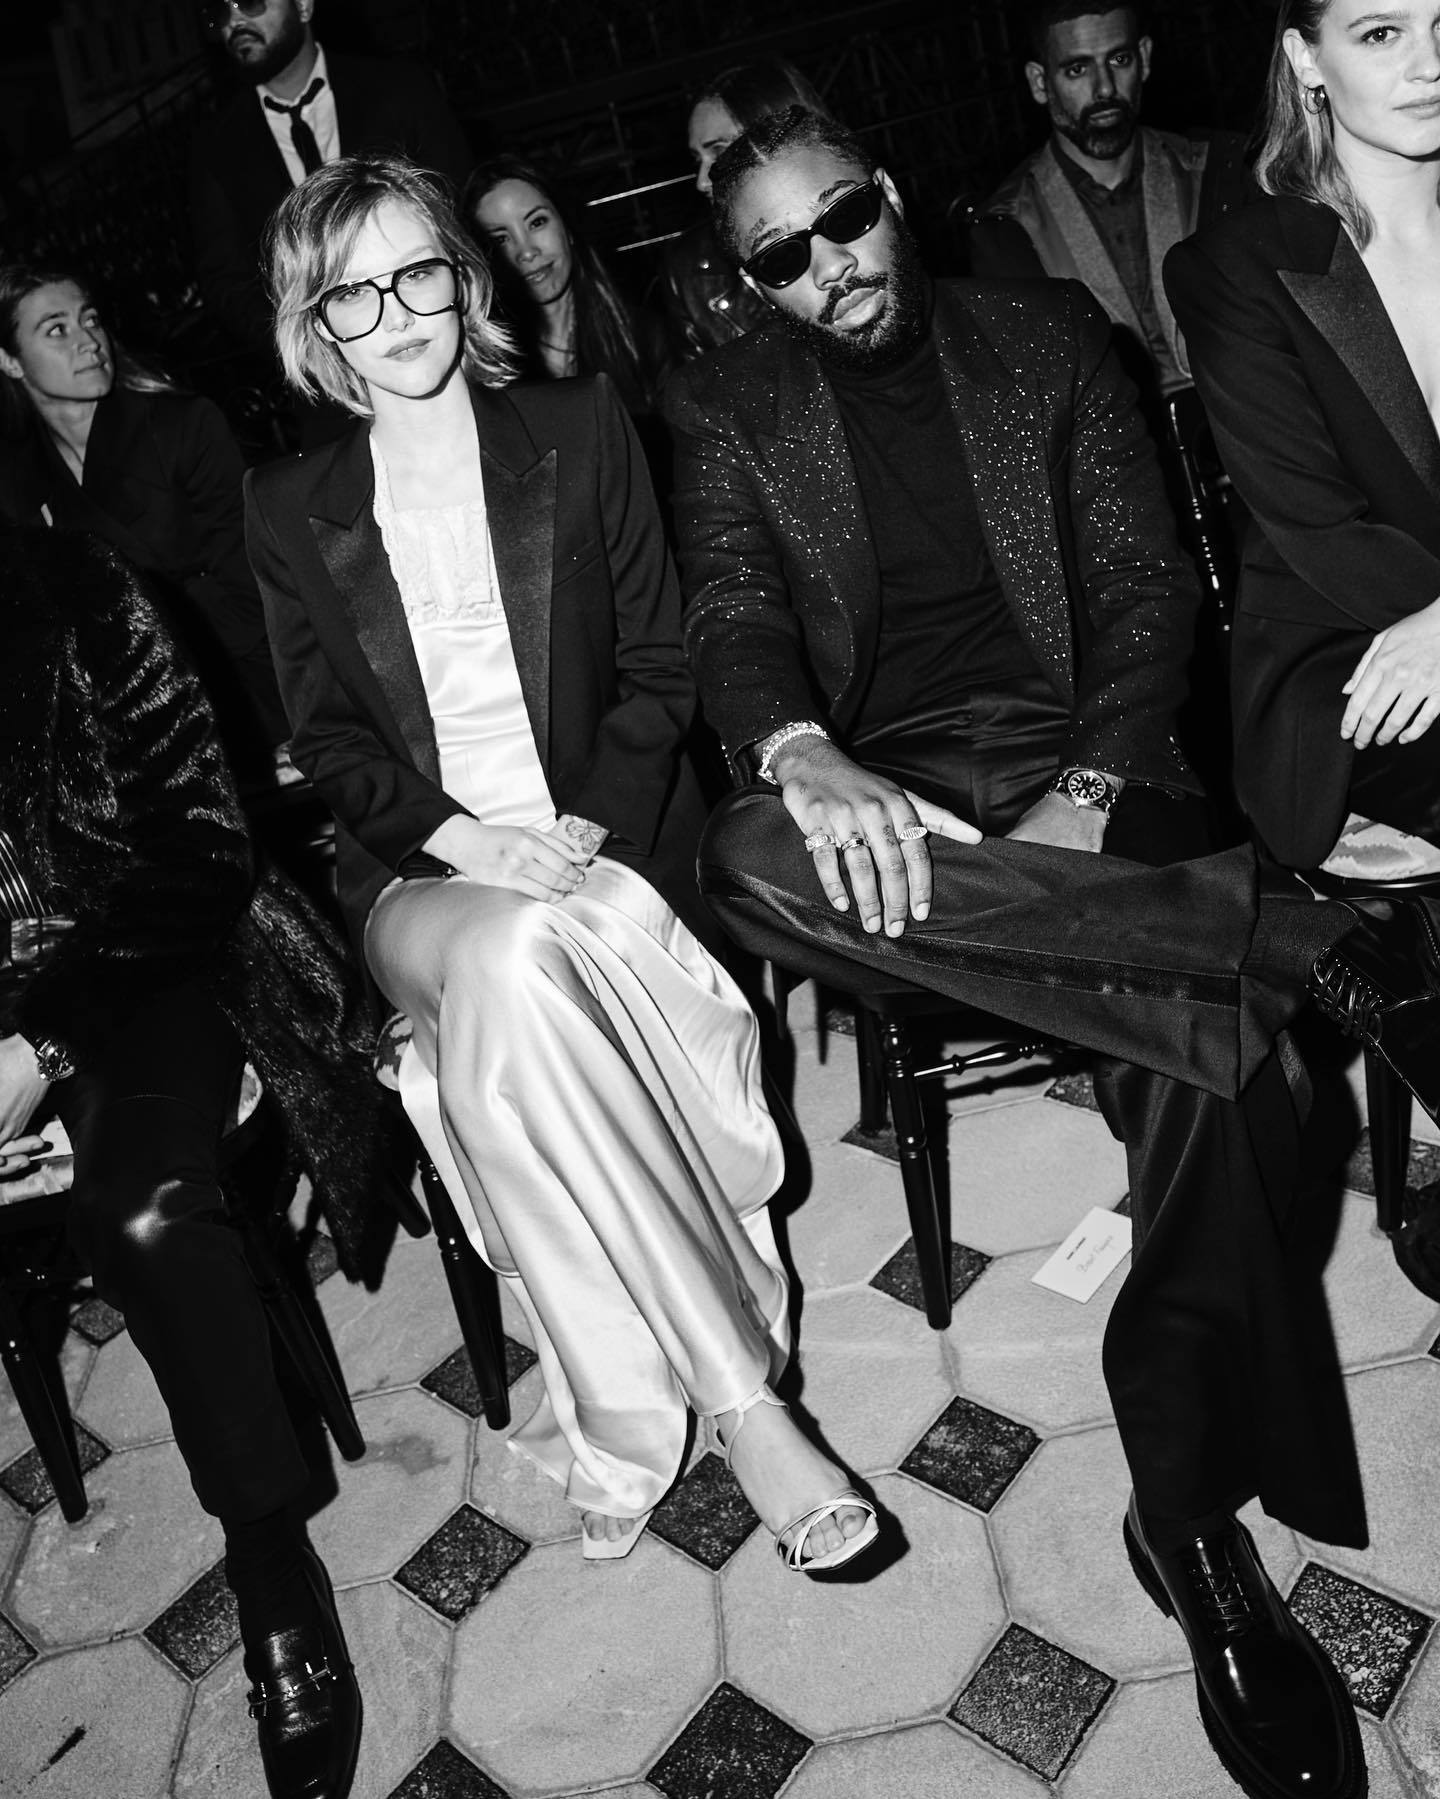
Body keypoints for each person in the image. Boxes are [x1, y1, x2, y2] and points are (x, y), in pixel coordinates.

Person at [664, 104, 1440, 1799]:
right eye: (783, 255)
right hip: (886, 798)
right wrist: (800, 748)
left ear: (891, 194)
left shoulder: (1044, 334)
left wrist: (1088, 789)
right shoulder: (724, 406)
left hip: (1085, 748)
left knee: (1215, 1074)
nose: (830, 266)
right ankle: (1300, 935)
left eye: (845, 219)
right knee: (741, 852)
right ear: (750, 283)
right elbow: (729, 611)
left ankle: (1188, 1521)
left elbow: (1150, 587)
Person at [245, 152, 880, 1576]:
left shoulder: (579, 425)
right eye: (353, 294)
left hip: (603, 842)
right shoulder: (288, 503)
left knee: (520, 995)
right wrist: (467, 839)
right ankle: (752, 1406)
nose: (396, 314)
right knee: (511, 944)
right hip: (416, 880)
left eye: (417, 272)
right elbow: (327, 739)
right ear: (315, 324)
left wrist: (574, 830)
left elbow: (663, 664)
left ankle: (643, 1405)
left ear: (460, 277)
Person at [0, 522, 391, 1799]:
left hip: (142, 963)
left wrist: (38, 1043)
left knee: (147, 1215)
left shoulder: (68, 586)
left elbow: (199, 843)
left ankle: (271, 1564)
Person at [1165, 0, 1440, 1302]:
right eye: (1381, 32)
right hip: (1349, 667)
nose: (1429, 63)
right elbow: (1322, 531)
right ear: (1303, 60)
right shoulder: (1241, 267)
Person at [0, 263, 290, 785]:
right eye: (56, 329)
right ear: (10, 361)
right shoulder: (19, 478)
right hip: (124, 726)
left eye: (90, 319)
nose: (88, 341)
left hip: (244, 690)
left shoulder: (181, 427)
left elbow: (253, 581)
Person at [969, 1, 1251, 407]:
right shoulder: (1006, 231)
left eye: (1119, 60)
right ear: (1039, 82)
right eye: (1077, 69)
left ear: (1145, 58)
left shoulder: (1221, 172)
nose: (1104, 88)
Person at [189, 0, 473, 361]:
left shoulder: (399, 88)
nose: (234, 21)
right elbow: (224, 278)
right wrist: (308, 348)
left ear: (303, 7)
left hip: (431, 334)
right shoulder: (216, 145)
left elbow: (456, 209)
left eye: (250, 3)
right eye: (219, 13)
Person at [465, 154, 670, 419]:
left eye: (537, 222)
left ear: (568, 227)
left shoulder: (644, 338)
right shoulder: (486, 371)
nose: (526, 252)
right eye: (501, 239)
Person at [659, 59, 831, 358]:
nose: (702, 181)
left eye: (719, 151)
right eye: (697, 159)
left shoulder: (859, 221)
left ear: (781, 137)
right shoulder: (691, 273)